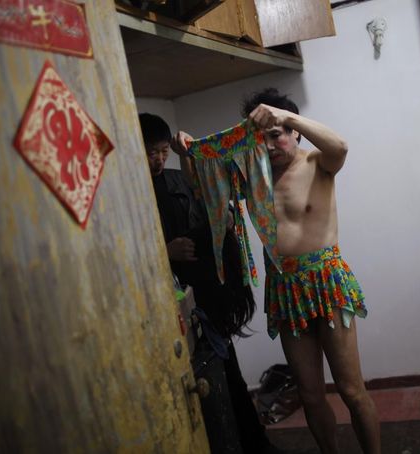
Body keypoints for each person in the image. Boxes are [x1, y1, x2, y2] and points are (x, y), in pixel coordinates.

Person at [172, 88, 380, 454]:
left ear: (294, 131)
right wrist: (186, 154)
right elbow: (206, 189)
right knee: (310, 394)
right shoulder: (252, 178)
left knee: (350, 389)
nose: (269, 145)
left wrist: (286, 115)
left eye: (277, 134)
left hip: (326, 280)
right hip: (284, 287)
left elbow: (342, 147)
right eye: (262, 138)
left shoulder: (318, 163)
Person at [139, 113, 281, 454]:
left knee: (229, 374)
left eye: (162, 151)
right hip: (168, 306)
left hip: (205, 298)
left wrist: (225, 218)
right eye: (150, 152)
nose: (158, 159)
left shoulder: (177, 180)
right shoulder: (133, 195)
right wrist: (165, 251)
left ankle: (255, 443)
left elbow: (208, 210)